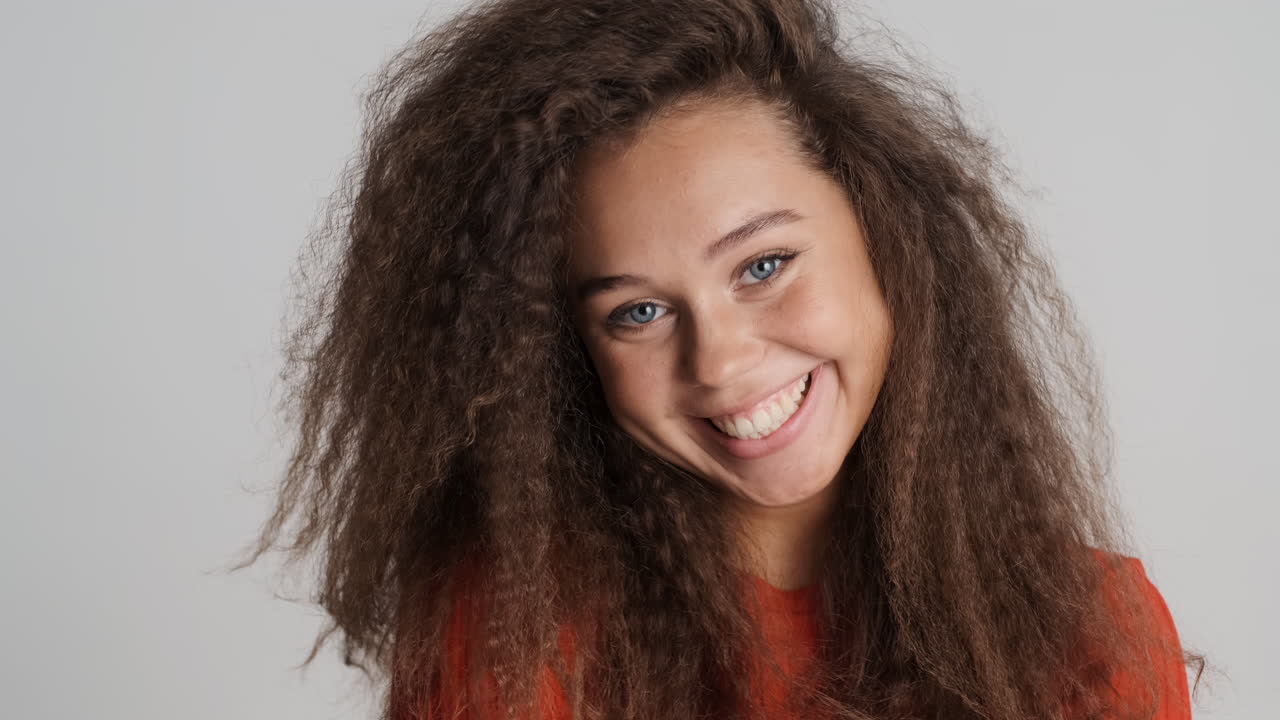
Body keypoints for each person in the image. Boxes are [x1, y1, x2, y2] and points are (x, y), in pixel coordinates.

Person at [242, 0, 1203, 718]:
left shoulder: (1090, 631)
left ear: (884, 235)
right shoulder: (519, 626)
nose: (724, 362)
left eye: (764, 265)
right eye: (641, 311)